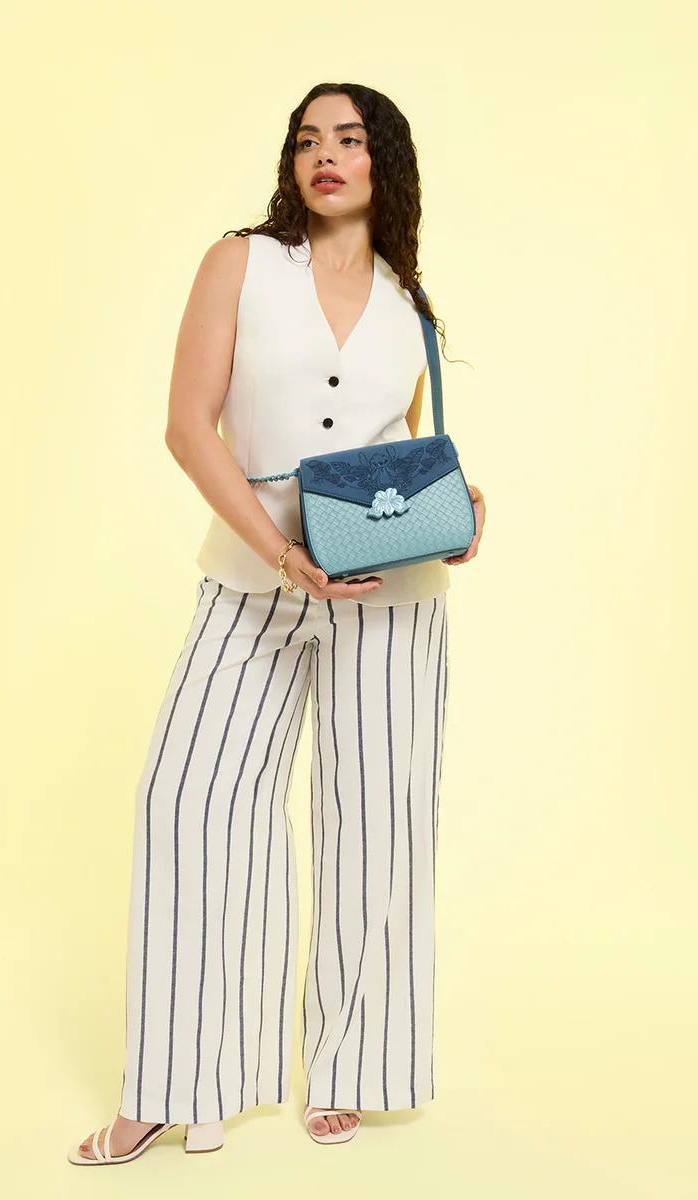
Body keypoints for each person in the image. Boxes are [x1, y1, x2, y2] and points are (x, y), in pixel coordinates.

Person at [69, 82, 486, 1166]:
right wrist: (279, 552)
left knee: (378, 824)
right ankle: (176, 1084)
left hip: (390, 593)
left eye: (349, 138)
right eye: (307, 140)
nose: (324, 155)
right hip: (253, 578)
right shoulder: (241, 263)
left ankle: (356, 1067)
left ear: (385, 162)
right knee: (190, 800)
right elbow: (187, 425)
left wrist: (462, 509)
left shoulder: (409, 302)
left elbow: (399, 452)